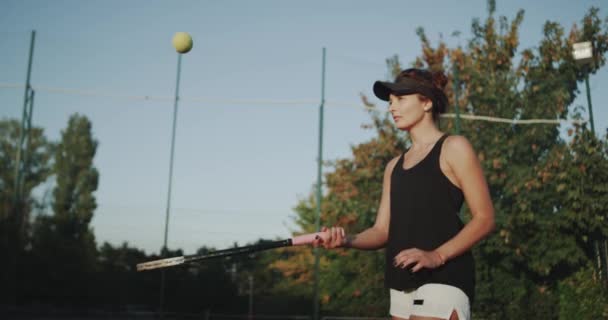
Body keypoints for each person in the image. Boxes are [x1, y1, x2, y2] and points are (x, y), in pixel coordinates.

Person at [313, 68, 495, 320]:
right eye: (390, 102)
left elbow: (484, 218)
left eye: (401, 99)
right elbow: (381, 231)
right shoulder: (393, 167)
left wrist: (437, 255)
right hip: (401, 282)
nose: (391, 108)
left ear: (427, 102)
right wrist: (344, 240)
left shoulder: (454, 147)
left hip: (444, 276)